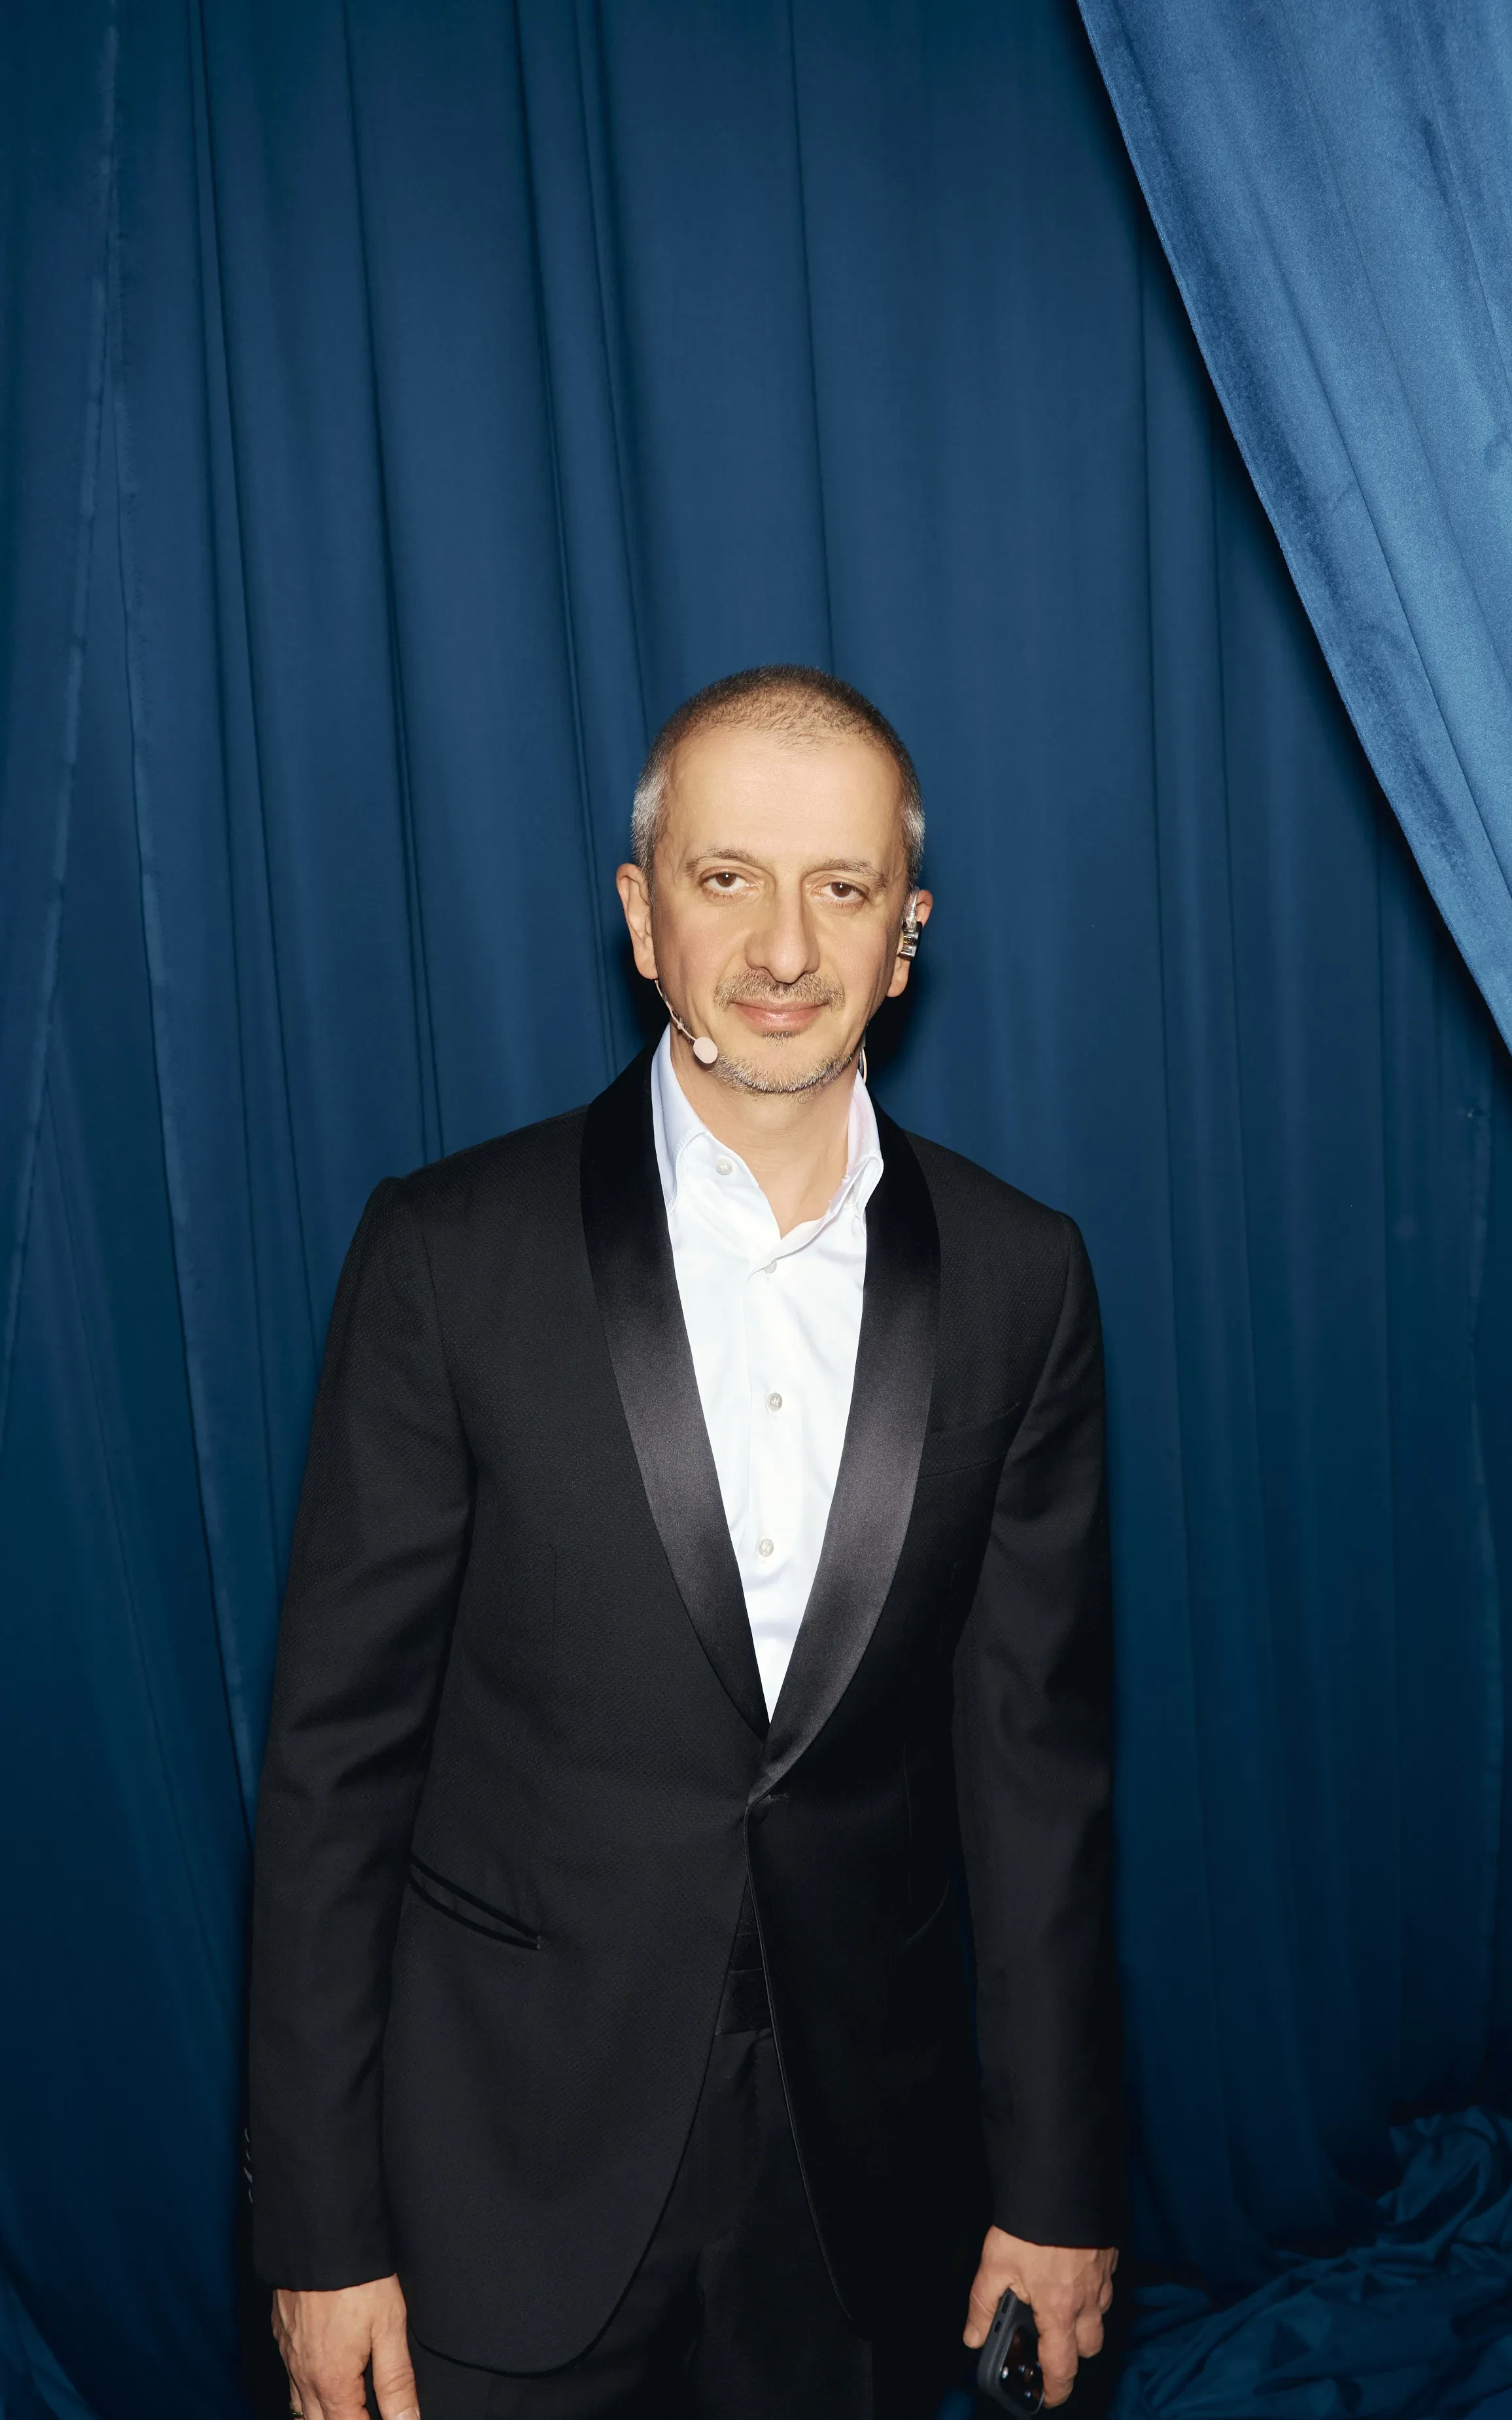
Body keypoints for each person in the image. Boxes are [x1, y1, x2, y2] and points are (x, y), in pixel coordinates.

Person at [249, 665, 1122, 2420]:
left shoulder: (1024, 1280)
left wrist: (1058, 2186)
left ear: (908, 935)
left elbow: (1038, 1783)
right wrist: (322, 2226)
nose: (786, 947)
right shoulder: (445, 1256)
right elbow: (333, 1775)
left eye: (843, 888)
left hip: (863, 2189)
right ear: (644, 918)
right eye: (730, 879)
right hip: (501, 2174)